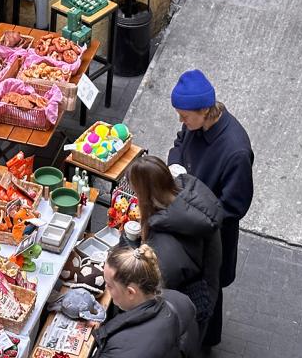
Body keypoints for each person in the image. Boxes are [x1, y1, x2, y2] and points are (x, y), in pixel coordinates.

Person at [167, 69, 254, 350]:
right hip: (190, 218)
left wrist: (196, 214)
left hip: (212, 234)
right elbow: (180, 143)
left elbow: (234, 206)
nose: (182, 121)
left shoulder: (235, 151)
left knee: (208, 290)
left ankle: (203, 342)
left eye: (185, 116)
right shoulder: (196, 124)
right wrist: (175, 166)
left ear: (204, 110)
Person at [125, 155, 223, 336]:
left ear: (145, 194)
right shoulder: (191, 196)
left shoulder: (165, 247)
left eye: (136, 192)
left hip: (188, 307)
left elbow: (155, 292)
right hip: (207, 285)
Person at [96, 244, 199, 358]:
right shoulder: (180, 299)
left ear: (131, 292)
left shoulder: (120, 351)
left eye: (110, 285)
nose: (106, 288)